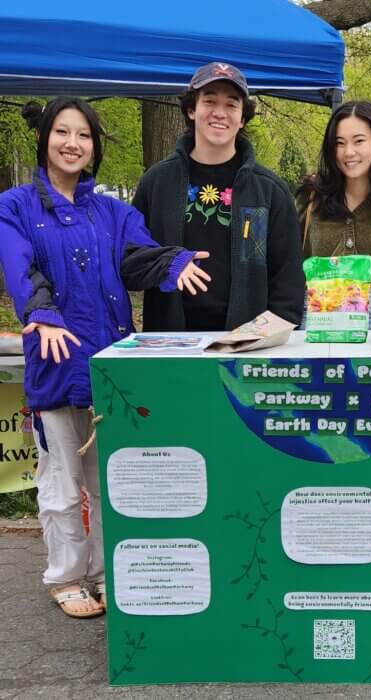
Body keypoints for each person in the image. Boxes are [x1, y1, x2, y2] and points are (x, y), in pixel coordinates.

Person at [0, 97, 210, 618]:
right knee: (62, 484)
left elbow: (139, 256)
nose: (73, 143)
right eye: (62, 133)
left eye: (84, 135)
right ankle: (67, 576)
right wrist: (42, 314)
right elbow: (20, 267)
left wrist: (174, 261)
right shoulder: (16, 207)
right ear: (45, 138)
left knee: (113, 482)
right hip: (54, 361)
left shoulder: (113, 212)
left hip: (111, 367)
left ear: (94, 145)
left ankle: (109, 572)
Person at [133, 61, 304, 332]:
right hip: (172, 346)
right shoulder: (156, 183)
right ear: (191, 109)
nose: (220, 113)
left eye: (231, 104)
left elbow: (288, 285)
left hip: (247, 349)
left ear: (243, 117)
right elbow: (131, 261)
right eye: (209, 101)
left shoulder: (270, 191)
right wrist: (169, 262)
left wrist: (260, 338)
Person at [298, 101, 371, 328]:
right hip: (319, 312)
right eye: (339, 143)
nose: (349, 152)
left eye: (359, 141)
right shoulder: (311, 198)